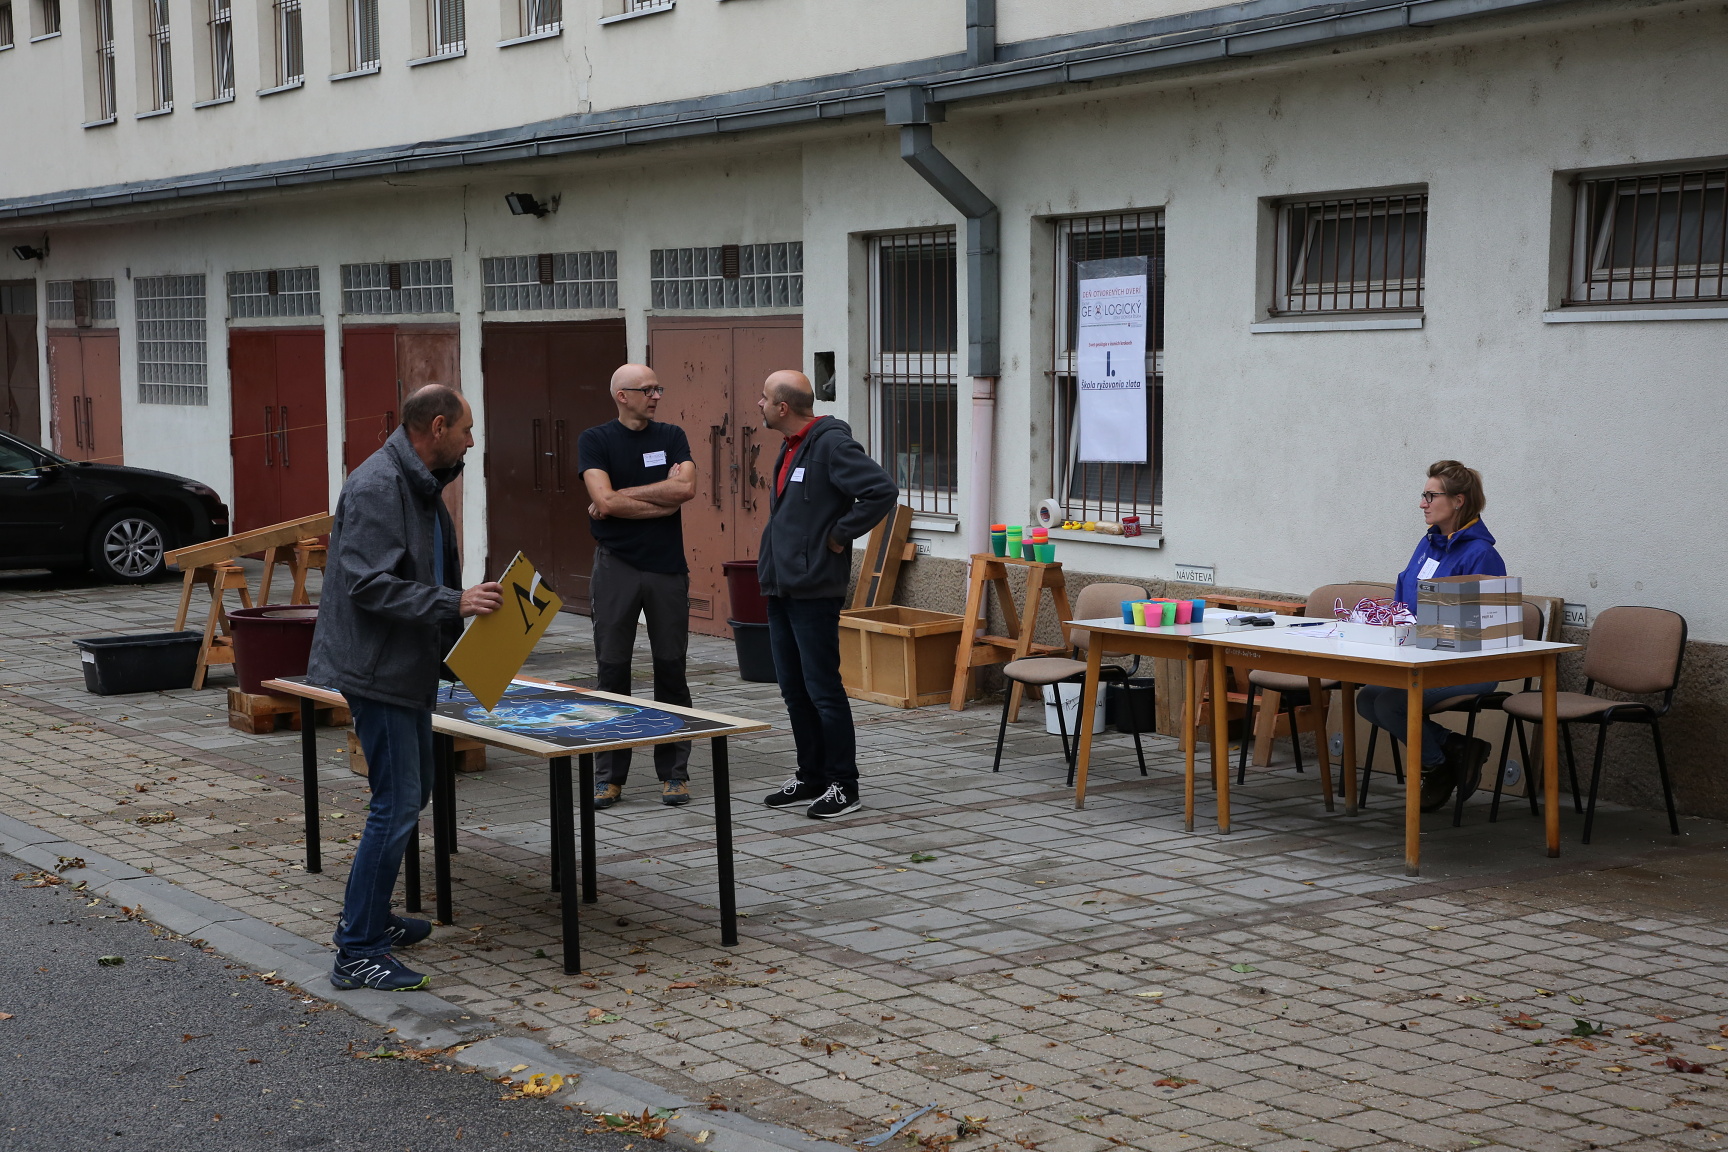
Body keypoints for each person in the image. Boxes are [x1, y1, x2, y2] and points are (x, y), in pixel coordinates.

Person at [309, 384, 503, 992]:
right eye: (466, 430)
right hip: (380, 671)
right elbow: (368, 585)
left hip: (408, 665)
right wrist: (455, 602)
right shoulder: (377, 485)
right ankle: (357, 950)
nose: (472, 442)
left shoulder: (419, 481)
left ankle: (372, 916)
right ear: (437, 426)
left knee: (409, 796)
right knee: (394, 806)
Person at [755, 370, 897, 819]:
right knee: (793, 689)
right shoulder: (791, 445)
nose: (759, 404)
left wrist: (838, 536)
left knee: (822, 690)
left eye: (764, 398)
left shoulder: (831, 444)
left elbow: (881, 491)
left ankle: (843, 785)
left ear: (782, 407)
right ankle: (811, 775)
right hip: (782, 585)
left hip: (814, 588)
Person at [579, 364, 698, 809]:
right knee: (612, 671)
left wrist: (620, 499)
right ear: (621, 395)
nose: (656, 396)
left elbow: (685, 490)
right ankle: (609, 778)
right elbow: (603, 499)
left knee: (671, 668)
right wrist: (658, 496)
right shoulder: (595, 440)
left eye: (657, 388)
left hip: (667, 569)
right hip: (616, 567)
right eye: (647, 390)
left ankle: (674, 774)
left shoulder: (672, 436)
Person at [1356, 459, 1503, 812]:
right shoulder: (1428, 545)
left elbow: (1484, 628)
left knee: (1390, 703)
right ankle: (1456, 747)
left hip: (1468, 666)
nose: (1422, 503)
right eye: (1424, 495)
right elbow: (1405, 598)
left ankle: (1437, 766)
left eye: (1430, 496)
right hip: (1422, 656)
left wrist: (1422, 632)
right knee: (1367, 699)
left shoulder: (1482, 555)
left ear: (1458, 501)